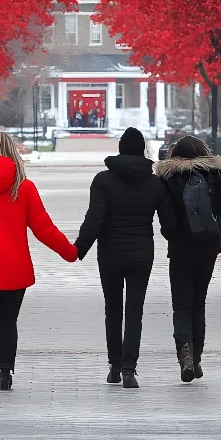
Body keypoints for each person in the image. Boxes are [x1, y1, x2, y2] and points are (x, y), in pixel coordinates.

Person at [0, 131, 77, 392]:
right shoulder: (24, 187)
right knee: (8, 322)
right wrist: (69, 251)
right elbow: (43, 228)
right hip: (13, 266)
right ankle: (6, 373)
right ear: (14, 153)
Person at [75, 127, 175, 389]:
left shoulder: (103, 181)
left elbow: (94, 219)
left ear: (120, 148)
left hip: (109, 252)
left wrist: (78, 248)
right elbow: (169, 223)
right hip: (142, 252)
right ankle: (130, 369)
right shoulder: (155, 183)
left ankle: (114, 366)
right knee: (134, 311)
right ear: (142, 149)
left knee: (113, 309)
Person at [154, 135, 221, 383]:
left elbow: (165, 216)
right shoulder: (216, 175)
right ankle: (196, 357)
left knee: (182, 304)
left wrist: (172, 234)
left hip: (180, 246)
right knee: (199, 301)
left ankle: (184, 352)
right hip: (208, 244)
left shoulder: (168, 177)